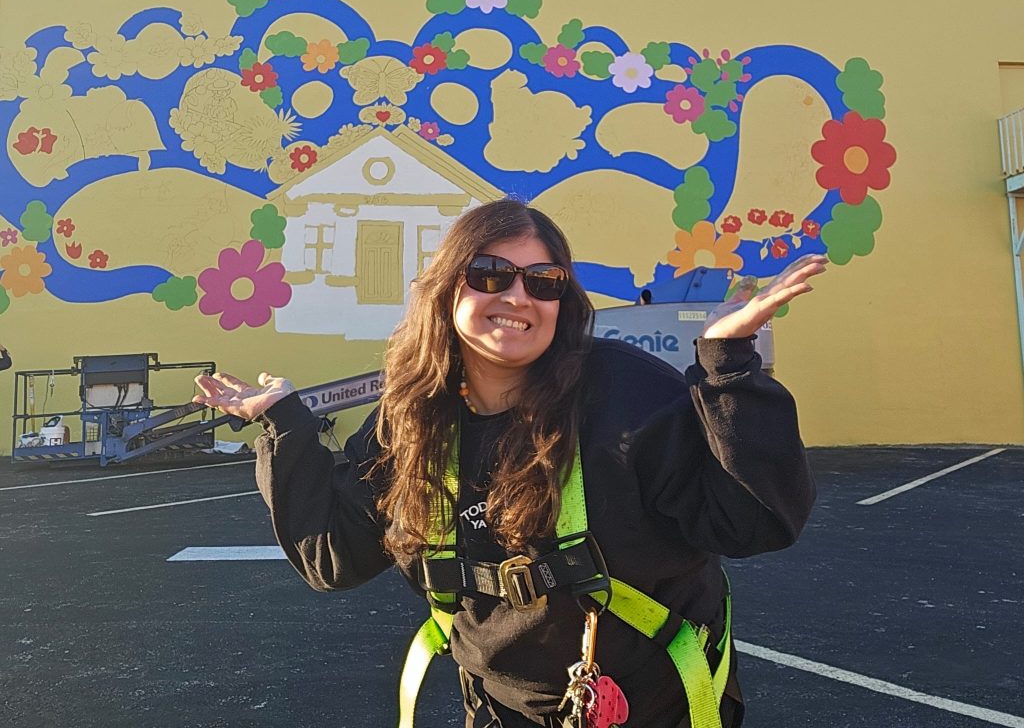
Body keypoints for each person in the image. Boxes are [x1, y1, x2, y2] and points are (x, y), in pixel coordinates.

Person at [193, 199, 822, 728]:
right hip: (500, 708)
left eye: (543, 281)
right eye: (491, 273)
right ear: (446, 291)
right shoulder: (411, 422)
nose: (518, 295)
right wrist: (284, 424)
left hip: (654, 702)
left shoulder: (627, 395)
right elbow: (333, 558)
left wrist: (730, 366)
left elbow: (755, 521)